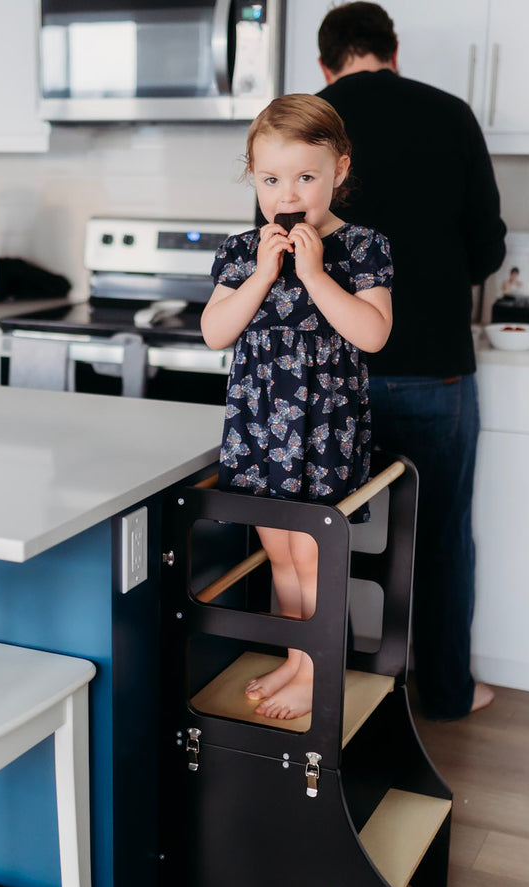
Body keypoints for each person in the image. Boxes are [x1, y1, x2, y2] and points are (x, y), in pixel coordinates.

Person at [287, 2, 508, 719]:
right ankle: (445, 691)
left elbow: (281, 238)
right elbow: (487, 252)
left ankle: (320, 680)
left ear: (325, 64)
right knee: (440, 532)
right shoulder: (450, 115)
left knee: (312, 537)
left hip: (323, 375)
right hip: (432, 368)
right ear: (393, 51)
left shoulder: (303, 121)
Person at [203, 94, 394, 720]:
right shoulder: (241, 251)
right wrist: (263, 274)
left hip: (320, 433)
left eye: (305, 177)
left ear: (339, 171)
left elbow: (371, 333)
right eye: (271, 179)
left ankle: (319, 672)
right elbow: (215, 332)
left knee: (314, 557)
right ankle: (296, 658)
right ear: (254, 179)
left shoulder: (363, 247)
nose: (288, 193)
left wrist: (313, 275)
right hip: (260, 431)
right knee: (280, 556)